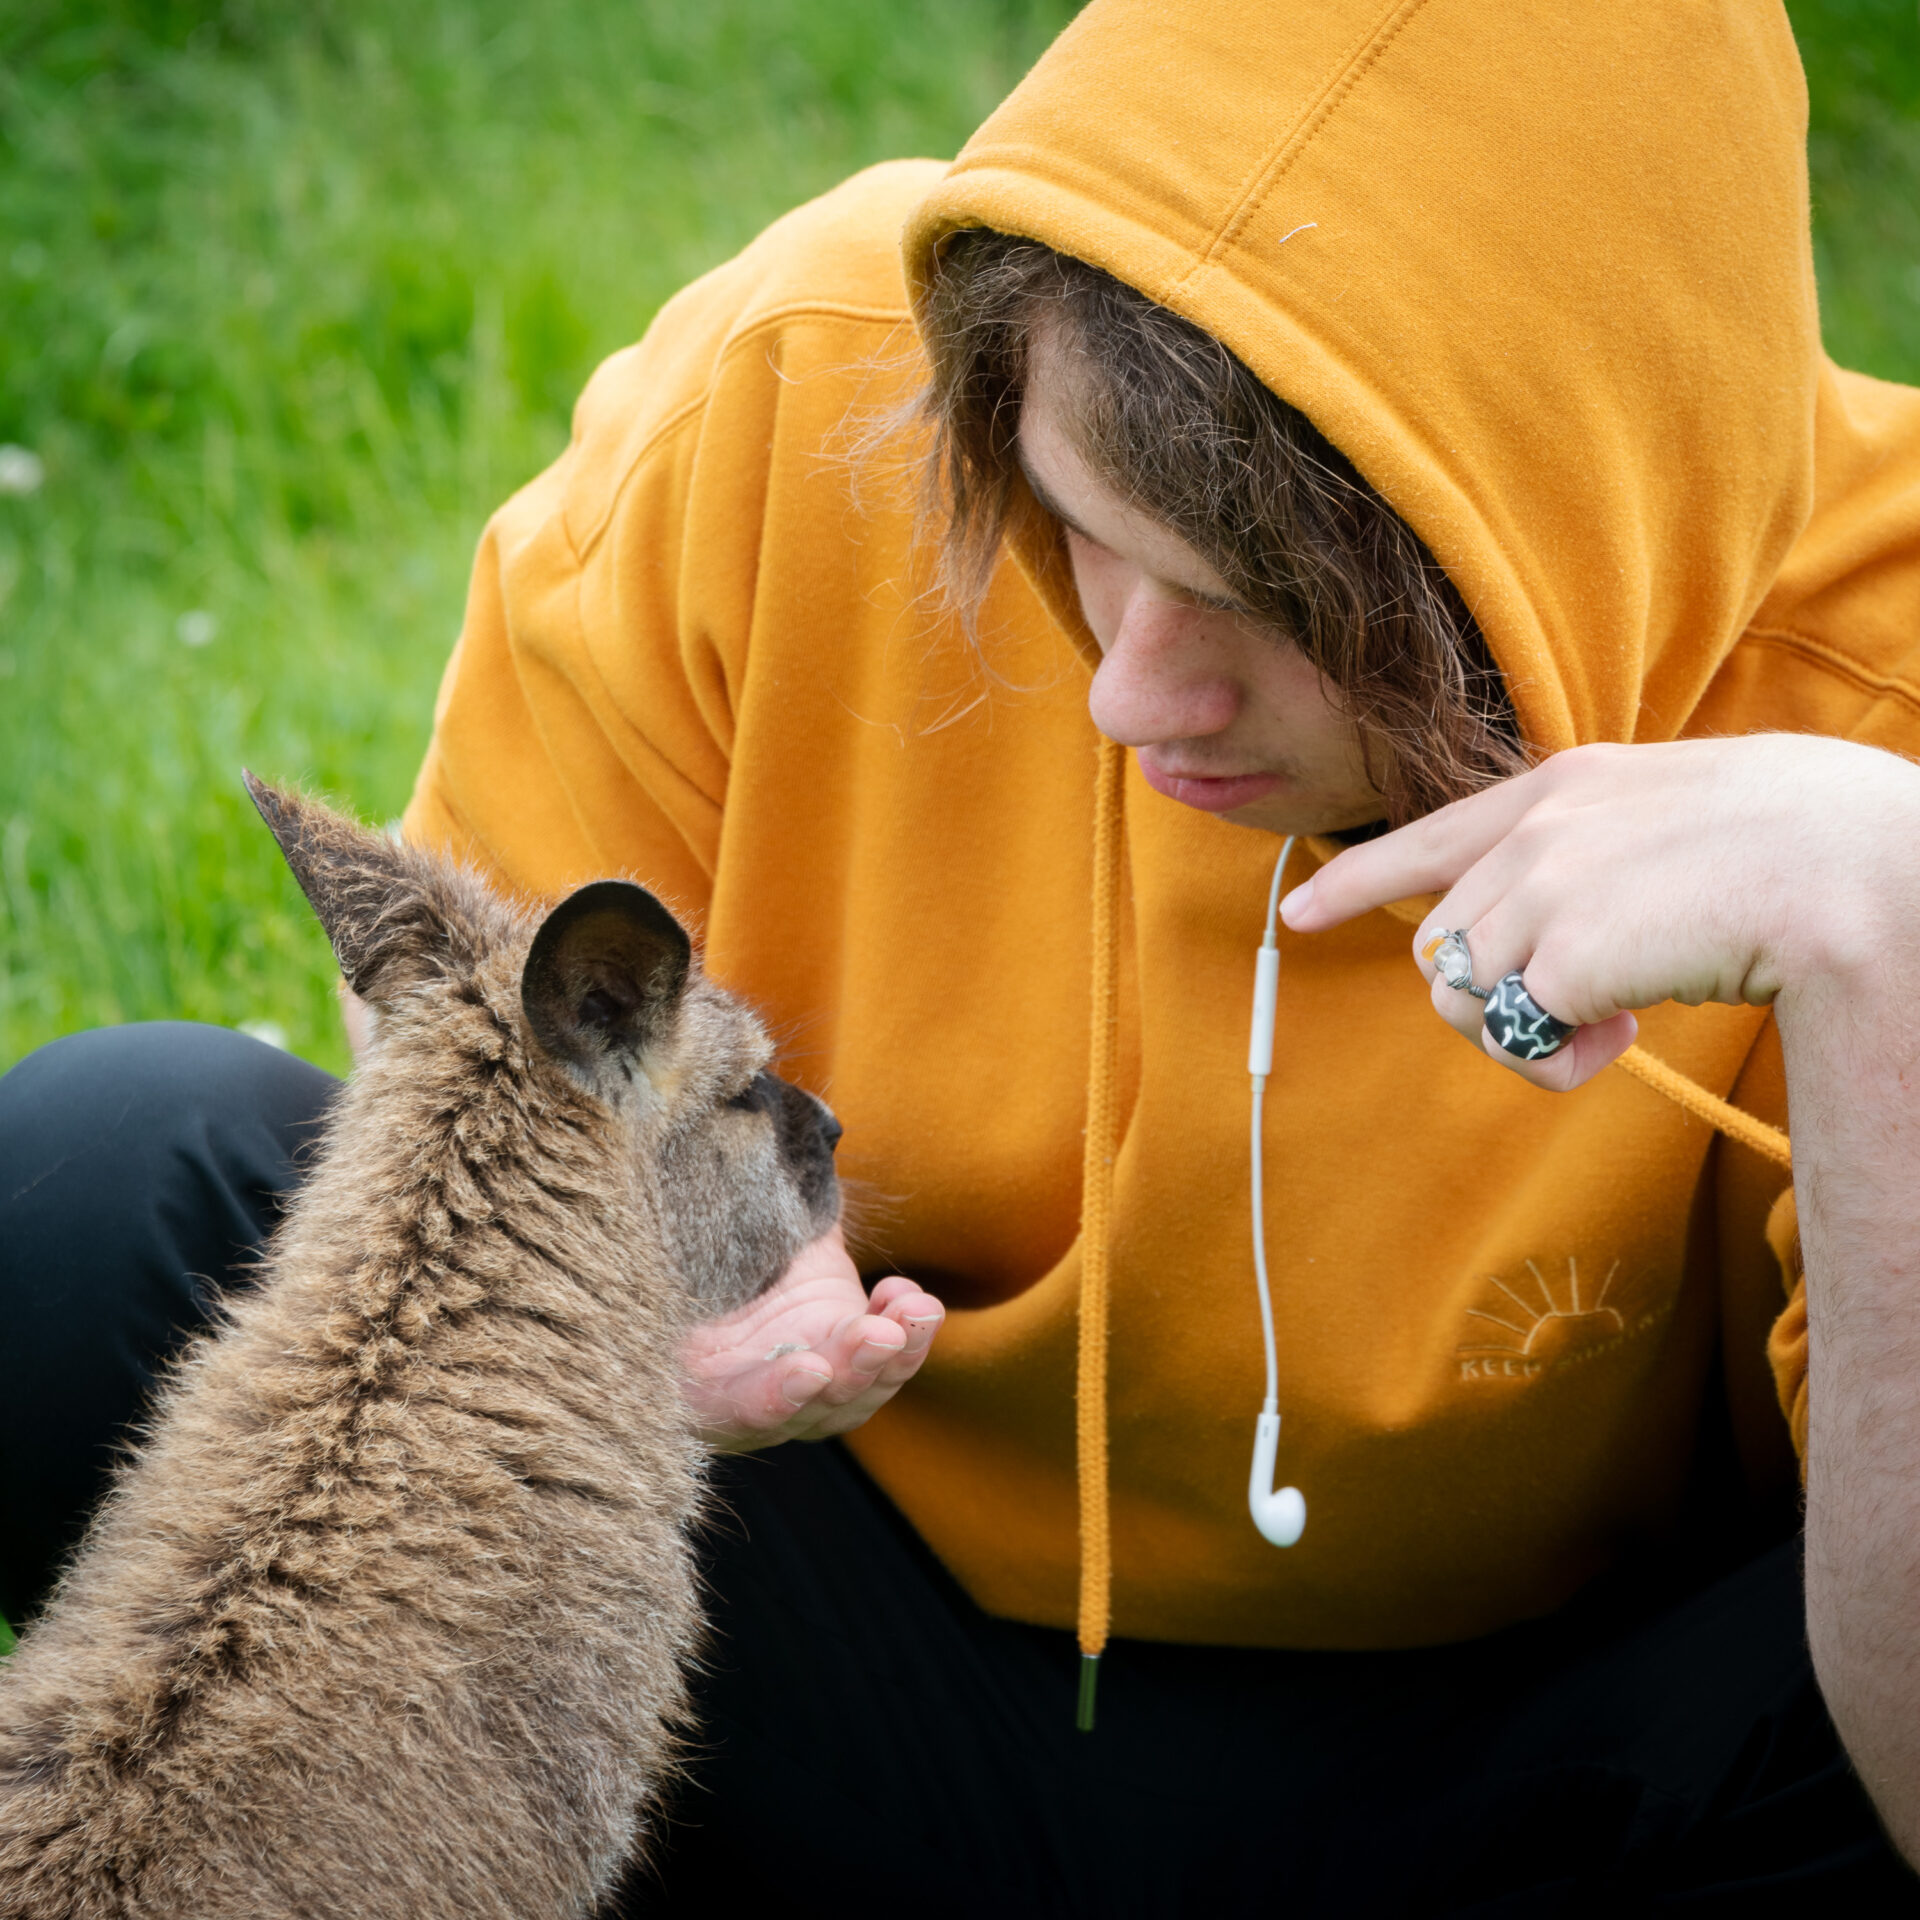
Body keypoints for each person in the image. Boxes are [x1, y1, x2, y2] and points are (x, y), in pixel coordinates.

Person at [6, 1, 1920, 1909]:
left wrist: (1877, 939)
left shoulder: (1877, 673)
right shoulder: (815, 384)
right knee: (106, 1184)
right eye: (1088, 534)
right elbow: (470, 1080)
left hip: (1535, 1779)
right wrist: (628, 1361)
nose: (1131, 695)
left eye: (1268, 614)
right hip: (824, 1663)